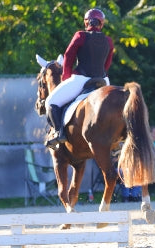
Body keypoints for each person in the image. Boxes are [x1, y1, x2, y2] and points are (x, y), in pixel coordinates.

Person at [44, 8, 114, 148]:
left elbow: (69, 56)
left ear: (86, 22)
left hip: (81, 80)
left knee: (50, 102)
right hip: (103, 80)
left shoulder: (80, 36)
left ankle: (59, 133)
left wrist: (66, 76)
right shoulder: (108, 41)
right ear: (101, 24)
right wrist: (101, 74)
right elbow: (108, 62)